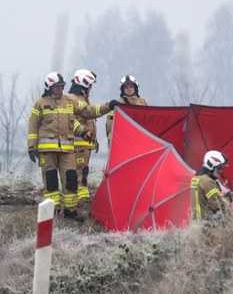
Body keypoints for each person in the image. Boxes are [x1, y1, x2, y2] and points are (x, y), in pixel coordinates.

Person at [27, 72, 118, 222]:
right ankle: (52, 213)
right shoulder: (40, 103)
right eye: (56, 87)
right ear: (49, 87)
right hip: (47, 151)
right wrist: (31, 147)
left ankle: (71, 213)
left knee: (71, 180)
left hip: (67, 150)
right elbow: (32, 127)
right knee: (51, 183)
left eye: (61, 86)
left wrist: (108, 106)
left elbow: (88, 111)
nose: (59, 89)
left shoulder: (69, 101)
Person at [67, 69, 100, 207]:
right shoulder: (72, 99)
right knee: (80, 171)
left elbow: (90, 121)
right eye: (90, 84)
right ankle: (82, 199)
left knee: (83, 169)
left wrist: (94, 140)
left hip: (86, 144)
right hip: (78, 144)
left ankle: (82, 196)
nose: (91, 88)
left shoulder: (83, 99)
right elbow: (72, 120)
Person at [190, 150, 233, 227]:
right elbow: (219, 206)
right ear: (210, 166)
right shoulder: (207, 181)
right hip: (205, 227)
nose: (220, 171)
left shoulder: (196, 178)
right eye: (218, 168)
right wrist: (229, 198)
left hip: (196, 226)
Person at [106, 75, 148, 145]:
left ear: (135, 88)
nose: (129, 89)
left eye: (131, 87)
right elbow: (110, 124)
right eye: (126, 87)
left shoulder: (143, 102)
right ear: (123, 89)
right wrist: (111, 140)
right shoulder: (117, 103)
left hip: (140, 138)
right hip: (124, 140)